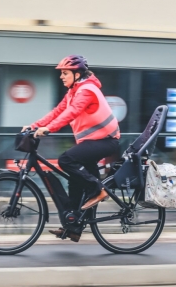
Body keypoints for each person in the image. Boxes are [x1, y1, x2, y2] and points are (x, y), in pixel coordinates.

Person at [23, 55, 120, 239]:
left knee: (66, 160)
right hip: (92, 142)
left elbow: (72, 112)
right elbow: (57, 112)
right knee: (75, 181)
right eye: (61, 73)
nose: (61, 76)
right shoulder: (73, 92)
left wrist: (48, 129)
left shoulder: (87, 90)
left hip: (106, 141)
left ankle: (98, 190)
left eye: (65, 73)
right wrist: (34, 126)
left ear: (77, 74)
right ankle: (73, 226)